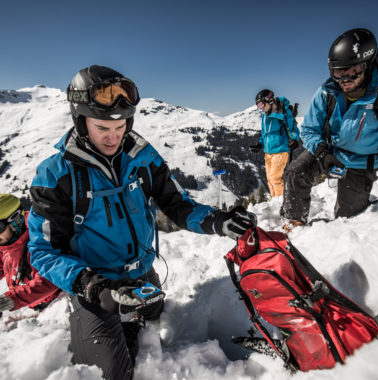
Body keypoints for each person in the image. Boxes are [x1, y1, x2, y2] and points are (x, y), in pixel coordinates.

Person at [27, 65, 255, 380]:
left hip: (142, 277)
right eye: (102, 127)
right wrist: (93, 287)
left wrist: (220, 221)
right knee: (113, 373)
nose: (113, 137)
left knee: (154, 321)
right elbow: (43, 250)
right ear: (81, 122)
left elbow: (176, 205)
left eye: (120, 126)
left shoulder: (141, 158)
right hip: (98, 288)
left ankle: (131, 322)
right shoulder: (56, 175)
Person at [281, 28, 378, 230]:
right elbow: (309, 129)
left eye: (352, 72)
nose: (344, 79)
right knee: (295, 173)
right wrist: (322, 153)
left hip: (362, 162)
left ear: (367, 66)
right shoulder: (327, 93)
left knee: (349, 220)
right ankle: (295, 220)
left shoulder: (377, 96)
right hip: (329, 152)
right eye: (337, 72)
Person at [0, 194, 60, 318]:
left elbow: (50, 280)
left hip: (58, 307)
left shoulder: (40, 240)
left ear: (15, 220)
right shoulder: (6, 247)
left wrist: (11, 299)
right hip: (37, 309)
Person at [250, 89, 300, 197]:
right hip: (268, 152)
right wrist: (259, 144)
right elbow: (265, 132)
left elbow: (292, 128)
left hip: (280, 150)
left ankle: (281, 203)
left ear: (269, 100)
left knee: (275, 178)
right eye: (258, 106)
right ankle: (274, 202)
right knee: (269, 180)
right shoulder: (265, 115)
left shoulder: (282, 111)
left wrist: (295, 139)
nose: (261, 108)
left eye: (262, 104)